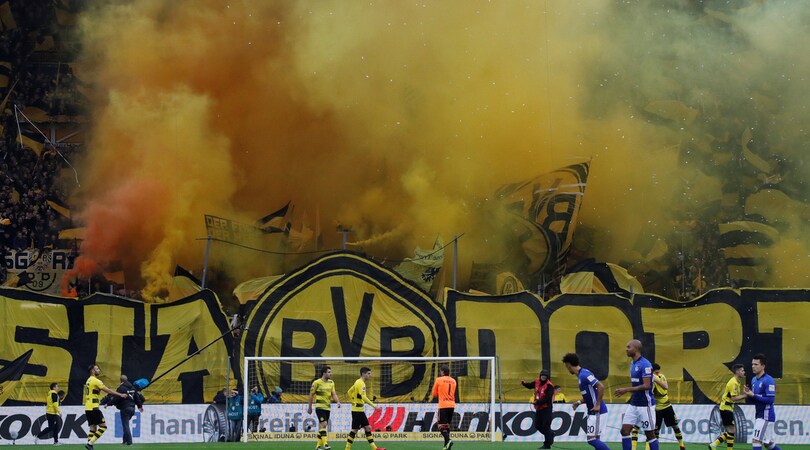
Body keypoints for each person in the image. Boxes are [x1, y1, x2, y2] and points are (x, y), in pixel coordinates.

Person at [614, 340, 658, 450]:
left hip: (645, 405)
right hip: (634, 404)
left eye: (628, 347)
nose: (626, 349)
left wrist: (626, 389)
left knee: (650, 435)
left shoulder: (645, 364)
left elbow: (647, 385)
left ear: (636, 349)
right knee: (624, 431)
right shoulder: (632, 363)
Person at [631, 363, 685, 450]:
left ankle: (682, 446)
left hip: (665, 406)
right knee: (654, 432)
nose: (658, 374)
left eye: (658, 372)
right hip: (657, 408)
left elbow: (664, 387)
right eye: (656, 372)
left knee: (674, 426)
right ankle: (647, 448)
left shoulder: (658, 377)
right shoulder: (653, 378)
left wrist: (654, 380)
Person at [562, 353, 610, 450]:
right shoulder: (581, 375)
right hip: (594, 411)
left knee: (591, 439)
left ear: (568, 365)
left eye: (566, 366)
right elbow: (590, 394)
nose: (567, 369)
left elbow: (600, 386)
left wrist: (597, 404)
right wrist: (579, 402)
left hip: (597, 411)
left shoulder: (584, 375)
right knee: (597, 438)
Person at [84, 364, 127, 450]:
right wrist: (120, 394)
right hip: (94, 407)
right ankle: (90, 443)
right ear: (93, 371)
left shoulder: (88, 380)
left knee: (92, 429)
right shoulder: (95, 380)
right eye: (97, 369)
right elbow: (108, 390)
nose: (99, 370)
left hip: (88, 407)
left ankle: (90, 445)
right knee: (103, 427)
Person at [744, 354, 782, 450]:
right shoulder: (754, 380)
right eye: (752, 364)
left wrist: (754, 395)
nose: (753, 366)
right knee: (768, 444)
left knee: (756, 440)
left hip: (766, 415)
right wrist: (749, 394)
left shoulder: (768, 380)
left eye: (756, 364)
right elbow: (755, 399)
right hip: (759, 414)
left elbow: (770, 400)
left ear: (763, 366)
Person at [345, 367, 384, 450]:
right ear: (363, 374)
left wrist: (353, 400)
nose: (370, 375)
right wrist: (375, 406)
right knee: (354, 430)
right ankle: (347, 449)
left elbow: (349, 392)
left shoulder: (358, 382)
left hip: (360, 410)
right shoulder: (361, 383)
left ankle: (374, 448)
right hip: (357, 411)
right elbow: (364, 397)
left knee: (368, 428)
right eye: (368, 373)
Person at [709, 364, 746, 450]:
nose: (744, 372)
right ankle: (715, 445)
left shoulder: (736, 382)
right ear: (737, 372)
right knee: (732, 430)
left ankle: (714, 445)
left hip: (727, 408)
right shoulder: (733, 382)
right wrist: (745, 395)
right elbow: (734, 398)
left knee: (731, 431)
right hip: (726, 408)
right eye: (742, 370)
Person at [308, 366, 340, 450]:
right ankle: (326, 445)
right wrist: (310, 407)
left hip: (327, 407)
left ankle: (318, 446)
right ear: (324, 373)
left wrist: (338, 401)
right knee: (324, 424)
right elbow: (311, 395)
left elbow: (333, 394)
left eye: (331, 372)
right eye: (329, 372)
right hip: (319, 407)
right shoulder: (317, 382)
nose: (331, 373)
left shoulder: (331, 382)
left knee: (322, 427)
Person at [521, 369, 554, 449]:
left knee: (546, 426)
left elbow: (548, 398)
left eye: (545, 376)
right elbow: (530, 386)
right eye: (542, 375)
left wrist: (537, 402)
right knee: (538, 425)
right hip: (539, 408)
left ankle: (547, 444)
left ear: (547, 377)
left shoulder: (549, 385)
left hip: (546, 408)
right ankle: (551, 434)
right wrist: (524, 384)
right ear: (540, 376)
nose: (543, 377)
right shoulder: (537, 381)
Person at [112, 375, 144, 445]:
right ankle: (124, 441)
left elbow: (116, 398)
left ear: (120, 380)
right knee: (126, 425)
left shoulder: (121, 388)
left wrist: (108, 404)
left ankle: (129, 441)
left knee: (125, 425)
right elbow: (137, 398)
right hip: (132, 408)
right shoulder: (133, 388)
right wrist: (140, 406)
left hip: (125, 408)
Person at [431, 365, 457, 450]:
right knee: (447, 426)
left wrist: (441, 393)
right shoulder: (454, 381)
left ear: (442, 372)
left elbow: (434, 394)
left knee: (441, 426)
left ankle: (448, 440)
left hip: (443, 405)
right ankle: (446, 447)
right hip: (452, 405)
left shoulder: (438, 380)